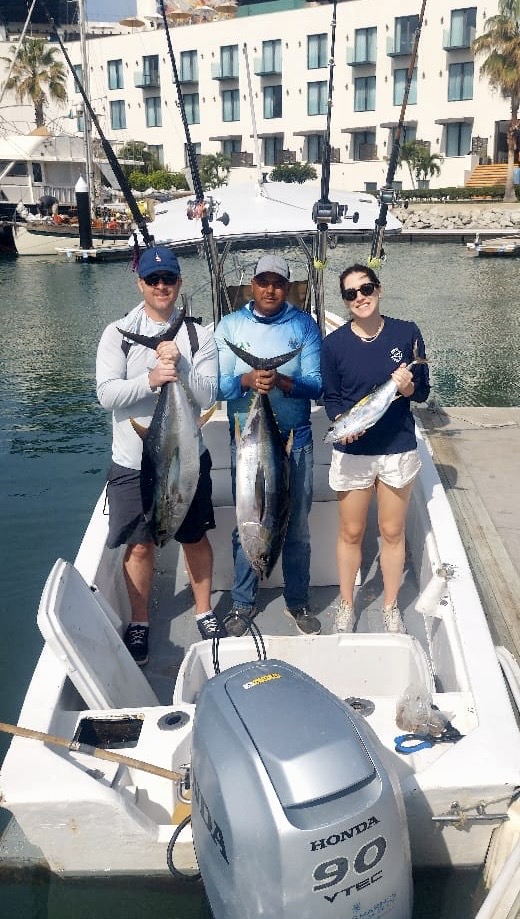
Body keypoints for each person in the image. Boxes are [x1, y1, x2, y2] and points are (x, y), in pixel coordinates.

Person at [96, 245, 222, 665]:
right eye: (153, 279)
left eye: (168, 278)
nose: (161, 286)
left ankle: (203, 612)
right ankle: (140, 622)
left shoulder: (199, 335)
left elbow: (209, 394)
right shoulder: (117, 334)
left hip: (187, 459)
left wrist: (180, 366)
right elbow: (106, 394)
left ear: (179, 283)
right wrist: (151, 379)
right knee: (139, 546)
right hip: (134, 463)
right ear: (141, 284)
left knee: (194, 536)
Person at [214, 253, 323, 637]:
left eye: (278, 283)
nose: (270, 289)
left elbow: (317, 384)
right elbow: (217, 387)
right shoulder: (229, 326)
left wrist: (281, 381)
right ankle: (243, 603)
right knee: (246, 519)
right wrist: (247, 381)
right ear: (253, 285)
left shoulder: (304, 326)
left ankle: (298, 601)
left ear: (287, 287)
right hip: (247, 445)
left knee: (297, 528)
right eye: (264, 282)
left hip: (297, 442)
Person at [321, 262, 430, 634]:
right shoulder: (333, 344)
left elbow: (422, 392)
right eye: (350, 293)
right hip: (353, 453)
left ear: (378, 289)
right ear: (345, 300)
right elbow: (332, 398)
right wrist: (341, 423)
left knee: (392, 531)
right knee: (351, 532)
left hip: (397, 448)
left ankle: (390, 605)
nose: (360, 298)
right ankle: (346, 604)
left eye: (365, 289)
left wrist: (407, 387)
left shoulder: (406, 332)